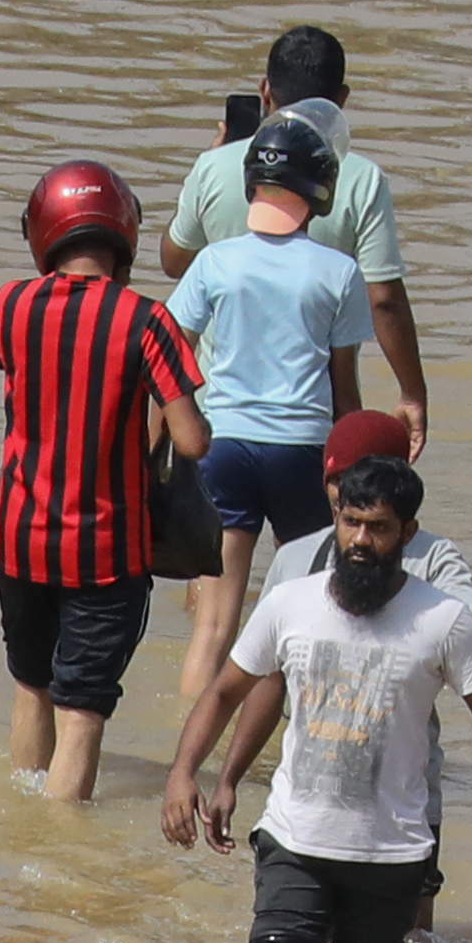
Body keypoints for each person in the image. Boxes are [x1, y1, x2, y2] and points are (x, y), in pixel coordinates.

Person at [158, 455, 472, 943]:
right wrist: (187, 774)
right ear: (337, 518)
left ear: (407, 533)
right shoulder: (289, 604)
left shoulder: (443, 620)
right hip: (294, 843)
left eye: (378, 527)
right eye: (352, 522)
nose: (361, 540)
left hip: (389, 857)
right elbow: (227, 690)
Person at [0, 161, 210, 805]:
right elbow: (192, 440)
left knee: (31, 686)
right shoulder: (148, 321)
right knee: (81, 712)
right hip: (106, 552)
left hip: (19, 539)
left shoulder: (10, 305)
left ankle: (23, 817)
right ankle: (57, 861)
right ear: (124, 237)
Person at [157, 38, 431, 433]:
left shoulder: (215, 166)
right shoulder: (362, 179)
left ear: (265, 90)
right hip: (310, 415)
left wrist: (209, 163)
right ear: (341, 101)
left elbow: (174, 262)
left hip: (215, 413)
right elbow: (384, 299)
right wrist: (411, 393)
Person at [166, 132, 373, 606]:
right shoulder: (339, 272)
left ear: (250, 186)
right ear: (321, 192)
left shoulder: (215, 261)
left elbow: (169, 357)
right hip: (301, 453)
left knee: (214, 623)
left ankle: (199, 684)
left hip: (224, 447)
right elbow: (344, 392)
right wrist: (354, 474)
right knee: (306, 607)